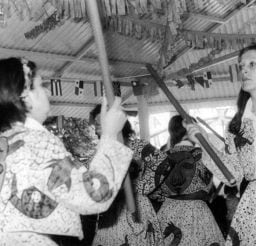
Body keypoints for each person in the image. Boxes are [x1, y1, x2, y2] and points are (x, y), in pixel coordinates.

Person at [0, 57, 133, 245]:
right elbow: (94, 195)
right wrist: (110, 135)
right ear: (25, 97)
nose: (47, 90)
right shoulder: (37, 142)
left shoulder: (6, 140)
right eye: (40, 85)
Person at [184, 43, 256, 245]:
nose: (244, 70)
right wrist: (204, 144)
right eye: (241, 66)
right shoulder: (237, 126)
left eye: (252, 64)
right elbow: (232, 176)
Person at [90, 105, 164, 246]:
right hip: (111, 209)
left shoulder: (137, 146)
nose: (96, 125)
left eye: (100, 122)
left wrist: (142, 187)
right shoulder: (101, 149)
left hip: (136, 206)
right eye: (96, 122)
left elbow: (162, 164)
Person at [156, 115, 225, 245]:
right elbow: (225, 176)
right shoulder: (204, 154)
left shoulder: (161, 157)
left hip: (167, 211)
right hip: (197, 213)